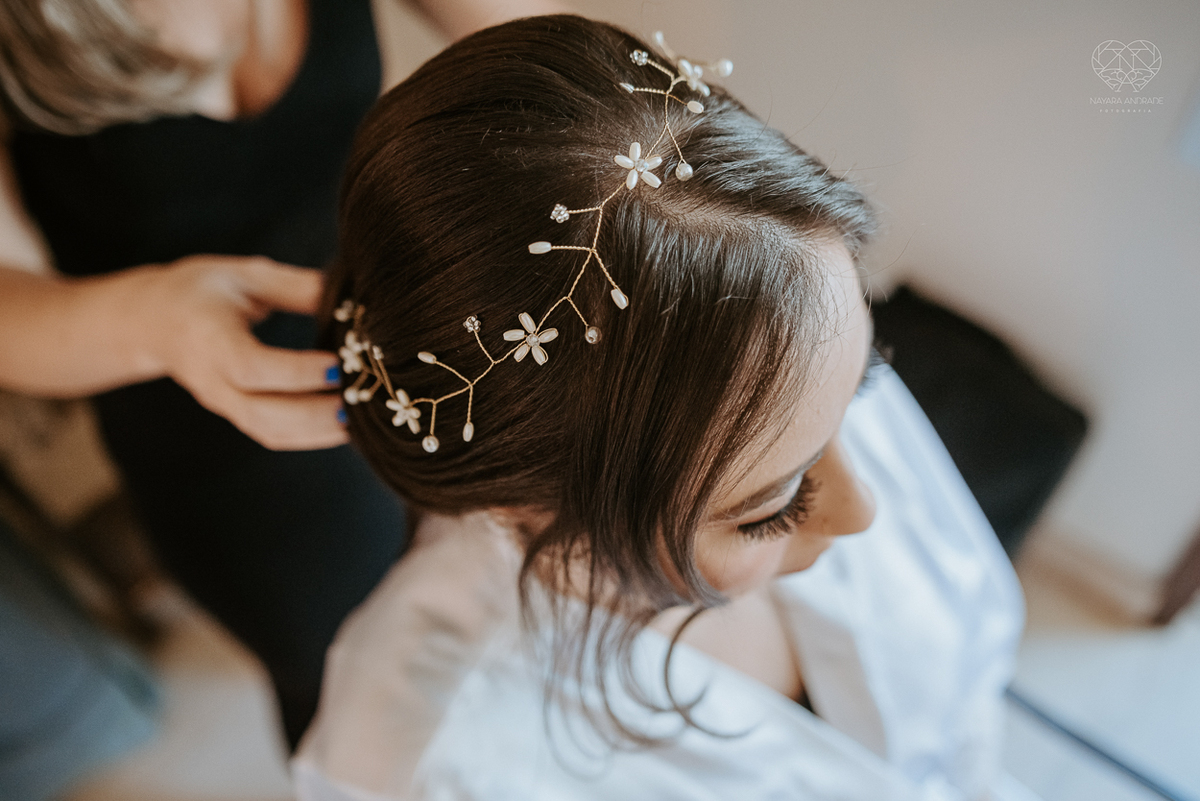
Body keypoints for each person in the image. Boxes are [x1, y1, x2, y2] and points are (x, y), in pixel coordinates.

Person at [292, 15, 1038, 800]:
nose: (863, 512)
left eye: (861, 385)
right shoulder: (423, 761)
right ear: (524, 504)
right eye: (769, 509)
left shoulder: (803, 371)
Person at [0, 0, 563, 750]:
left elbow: (541, 49)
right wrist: (156, 320)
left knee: (513, 632)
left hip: (425, 352)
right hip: (229, 449)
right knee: (357, 693)